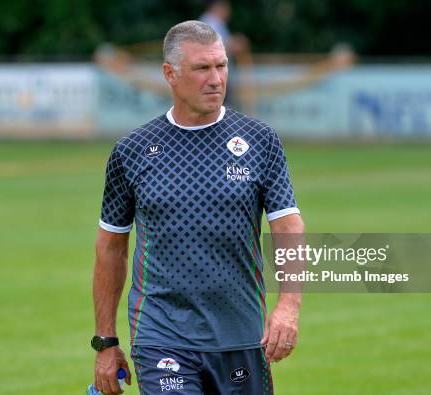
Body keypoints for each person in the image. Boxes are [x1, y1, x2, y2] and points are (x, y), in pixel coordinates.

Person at [92, 20, 304, 395]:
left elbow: (288, 228)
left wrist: (289, 306)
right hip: (162, 334)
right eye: (202, 68)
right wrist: (106, 342)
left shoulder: (260, 141)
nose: (216, 79)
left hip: (241, 335)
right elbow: (111, 247)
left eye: (221, 66)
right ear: (170, 74)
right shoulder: (132, 151)